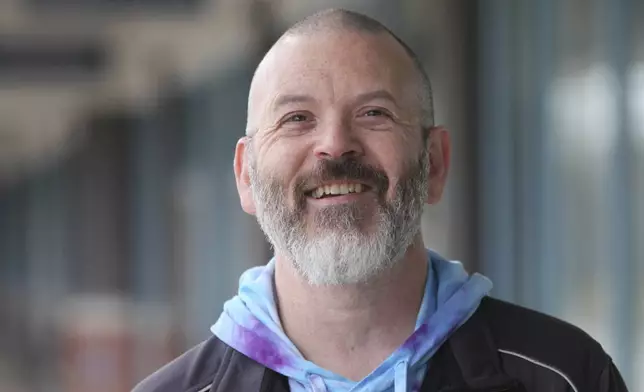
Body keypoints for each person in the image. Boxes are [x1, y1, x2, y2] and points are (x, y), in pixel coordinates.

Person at [133, 8, 627, 392]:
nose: (335, 144)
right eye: (296, 118)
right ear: (246, 176)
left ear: (433, 162)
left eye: (374, 113)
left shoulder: (566, 377)